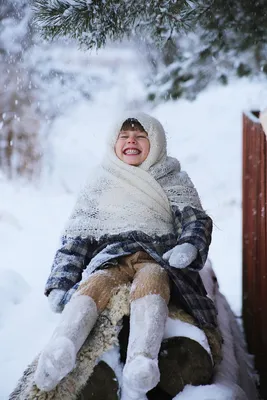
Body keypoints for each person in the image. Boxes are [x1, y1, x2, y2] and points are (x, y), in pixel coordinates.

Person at [34, 112, 218, 400]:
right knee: (94, 285)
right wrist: (61, 281)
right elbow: (76, 238)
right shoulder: (100, 182)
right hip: (110, 259)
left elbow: (195, 220)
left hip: (155, 257)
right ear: (113, 143)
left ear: (155, 142)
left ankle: (140, 360)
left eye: (141, 136)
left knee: (153, 281)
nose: (132, 141)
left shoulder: (172, 178)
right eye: (124, 136)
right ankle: (61, 349)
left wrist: (189, 246)